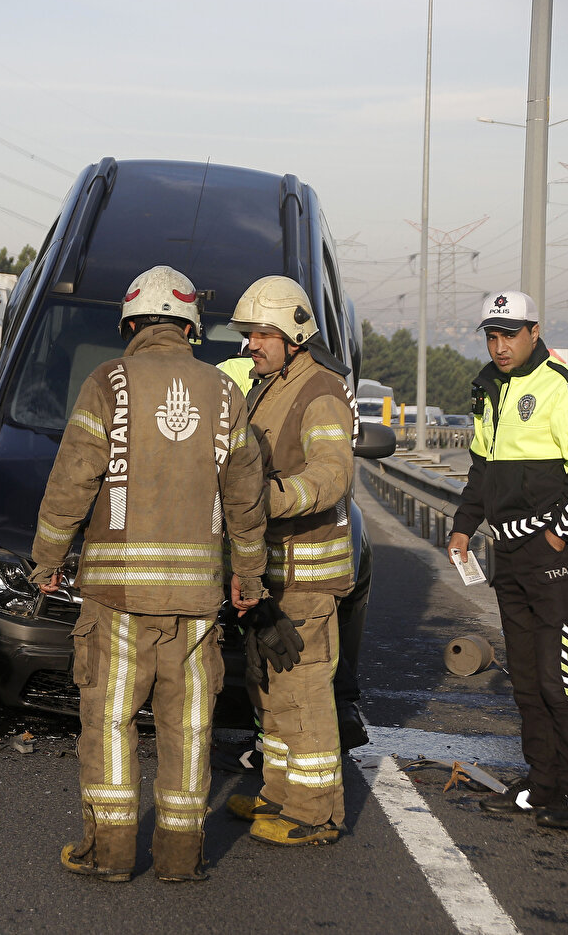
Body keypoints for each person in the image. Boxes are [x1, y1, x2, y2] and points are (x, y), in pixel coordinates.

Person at [30, 265, 267, 882]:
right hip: (196, 604)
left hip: (117, 600)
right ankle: (180, 858)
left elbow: (73, 482)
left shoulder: (107, 382)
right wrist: (249, 575)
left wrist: (48, 560)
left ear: (131, 324)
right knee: (188, 726)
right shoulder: (224, 393)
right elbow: (245, 499)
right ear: (191, 326)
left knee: (109, 722)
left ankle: (108, 855)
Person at [448, 290, 568, 830]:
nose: (500, 346)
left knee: (557, 675)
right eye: (492, 336)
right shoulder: (488, 388)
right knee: (523, 676)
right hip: (508, 553)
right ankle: (542, 781)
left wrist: (558, 537)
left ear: (534, 331)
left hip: (553, 560)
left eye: (510, 335)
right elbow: (483, 466)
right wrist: (463, 526)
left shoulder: (566, 390)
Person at [224, 276, 357, 847]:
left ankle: (316, 813)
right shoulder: (268, 385)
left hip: (307, 573)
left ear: (293, 334)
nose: (249, 344)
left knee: (304, 690)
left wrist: (270, 500)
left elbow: (332, 473)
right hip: (273, 570)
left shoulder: (318, 389)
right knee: (272, 687)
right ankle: (278, 793)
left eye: (259, 334)